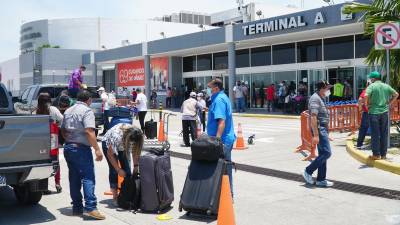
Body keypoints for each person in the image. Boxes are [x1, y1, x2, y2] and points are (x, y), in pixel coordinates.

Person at [61, 90, 105, 220]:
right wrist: (97, 149)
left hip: (69, 147)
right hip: (81, 149)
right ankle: (91, 208)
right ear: (89, 100)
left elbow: (62, 130)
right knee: (88, 177)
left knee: (74, 179)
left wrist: (69, 138)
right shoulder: (87, 111)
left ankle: (77, 208)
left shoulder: (68, 111)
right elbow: (89, 131)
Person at [206, 79, 236, 196]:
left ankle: (226, 196)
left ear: (216, 88)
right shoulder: (222, 98)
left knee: (222, 170)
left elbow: (221, 122)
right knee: (224, 168)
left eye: (210, 87)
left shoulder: (219, 100)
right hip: (225, 139)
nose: (208, 89)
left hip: (222, 141)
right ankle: (226, 195)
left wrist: (217, 140)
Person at [101, 123, 144, 205]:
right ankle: (115, 197)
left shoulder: (138, 135)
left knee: (127, 171)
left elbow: (136, 151)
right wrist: (118, 169)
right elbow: (110, 155)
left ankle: (126, 194)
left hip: (123, 145)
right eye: (131, 143)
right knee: (113, 170)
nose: (132, 144)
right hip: (108, 143)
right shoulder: (117, 136)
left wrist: (135, 166)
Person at [303, 80, 334, 188]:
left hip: (322, 129)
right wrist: (316, 135)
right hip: (319, 128)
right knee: (327, 153)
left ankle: (321, 179)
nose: (328, 90)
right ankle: (308, 171)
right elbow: (313, 117)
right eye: (327, 88)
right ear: (322, 89)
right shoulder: (315, 98)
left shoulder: (321, 98)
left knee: (323, 154)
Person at [365, 71, 399, 160]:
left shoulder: (371, 86)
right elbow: (396, 94)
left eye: (371, 78)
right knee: (384, 133)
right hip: (384, 112)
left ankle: (376, 154)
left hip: (374, 113)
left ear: (373, 78)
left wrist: (367, 105)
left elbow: (366, 96)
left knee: (375, 134)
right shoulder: (386, 86)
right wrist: (390, 103)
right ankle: (383, 154)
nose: (370, 80)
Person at [36, 93, 64, 193]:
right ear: (50, 101)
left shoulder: (36, 111)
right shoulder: (54, 110)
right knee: (55, 161)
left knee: (42, 163)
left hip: (40, 141)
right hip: (53, 139)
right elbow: (62, 120)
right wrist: (58, 126)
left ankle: (44, 187)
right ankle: (57, 183)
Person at [356, 81, 370, 149]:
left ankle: (359, 144)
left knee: (363, 129)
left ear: (367, 85)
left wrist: (360, 110)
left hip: (367, 113)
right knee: (376, 129)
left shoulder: (366, 91)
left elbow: (359, 100)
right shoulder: (375, 91)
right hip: (375, 112)